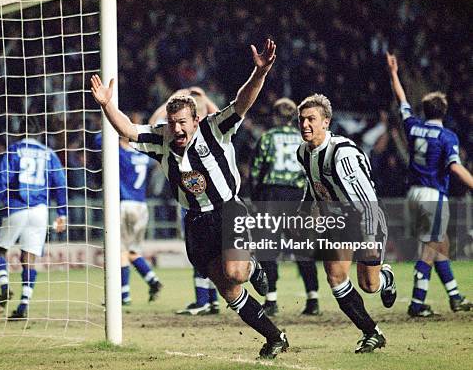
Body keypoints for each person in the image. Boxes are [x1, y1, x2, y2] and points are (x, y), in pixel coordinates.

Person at [91, 39, 288, 359]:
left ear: (195, 120)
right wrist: (106, 104)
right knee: (228, 289)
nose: (178, 128)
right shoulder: (162, 138)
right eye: (173, 123)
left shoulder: (214, 129)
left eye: (183, 122)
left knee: (236, 273)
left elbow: (241, 103)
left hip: (227, 209)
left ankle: (253, 267)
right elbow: (127, 130)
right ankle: (274, 336)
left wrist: (260, 73)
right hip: (195, 221)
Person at [295, 93, 397, 353]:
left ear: (326, 122)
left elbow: (367, 201)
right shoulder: (303, 152)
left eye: (311, 119)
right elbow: (313, 185)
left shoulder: (342, 155)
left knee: (369, 285)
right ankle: (371, 332)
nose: (305, 124)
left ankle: (386, 278)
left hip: (366, 220)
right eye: (302, 119)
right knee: (335, 277)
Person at [386, 52, 473, 317]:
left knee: (441, 244)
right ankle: (417, 303)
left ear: (425, 110)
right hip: (433, 195)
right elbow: (455, 167)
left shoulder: (413, 127)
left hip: (412, 193)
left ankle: (455, 297)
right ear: (444, 112)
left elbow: (401, 100)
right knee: (431, 248)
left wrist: (393, 73)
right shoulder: (447, 136)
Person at [0, 119, 67, 320]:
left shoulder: (15, 149)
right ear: (39, 134)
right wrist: (62, 213)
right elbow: (61, 184)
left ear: (19, 133)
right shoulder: (49, 154)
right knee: (29, 259)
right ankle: (23, 305)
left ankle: (5, 287)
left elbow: (2, 179)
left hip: (16, 207)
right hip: (40, 211)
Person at [150, 87, 221, 316]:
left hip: (194, 202)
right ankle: (212, 300)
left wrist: (171, 99)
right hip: (216, 202)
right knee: (214, 253)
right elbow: (218, 113)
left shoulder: (197, 131)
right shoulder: (210, 128)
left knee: (199, 252)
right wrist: (204, 97)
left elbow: (153, 122)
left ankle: (202, 301)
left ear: (194, 118)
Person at [250, 97, 320, 316]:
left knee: (268, 248)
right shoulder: (304, 140)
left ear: (274, 116)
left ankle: (271, 300)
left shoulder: (268, 138)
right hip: (297, 197)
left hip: (271, 196)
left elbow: (256, 171)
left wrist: (255, 198)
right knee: (302, 248)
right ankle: (313, 298)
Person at [96, 130, 163, 305]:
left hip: (124, 205)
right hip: (141, 206)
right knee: (133, 251)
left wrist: (112, 131)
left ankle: (123, 295)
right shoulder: (144, 157)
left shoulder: (120, 154)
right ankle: (152, 280)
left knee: (120, 251)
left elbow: (98, 140)